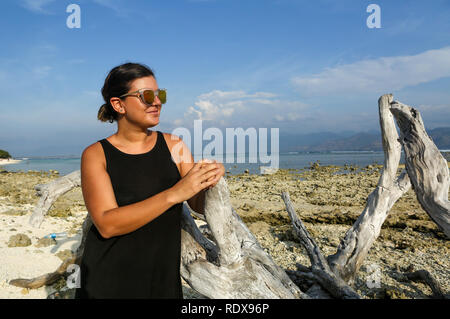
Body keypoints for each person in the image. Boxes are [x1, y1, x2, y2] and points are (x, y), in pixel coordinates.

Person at [74, 62, 225, 299]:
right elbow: (107, 223)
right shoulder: (95, 154)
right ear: (118, 104)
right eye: (146, 95)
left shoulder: (175, 145)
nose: (156, 102)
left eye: (159, 94)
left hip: (161, 279)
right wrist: (174, 194)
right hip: (109, 281)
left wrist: (210, 180)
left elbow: (198, 204)